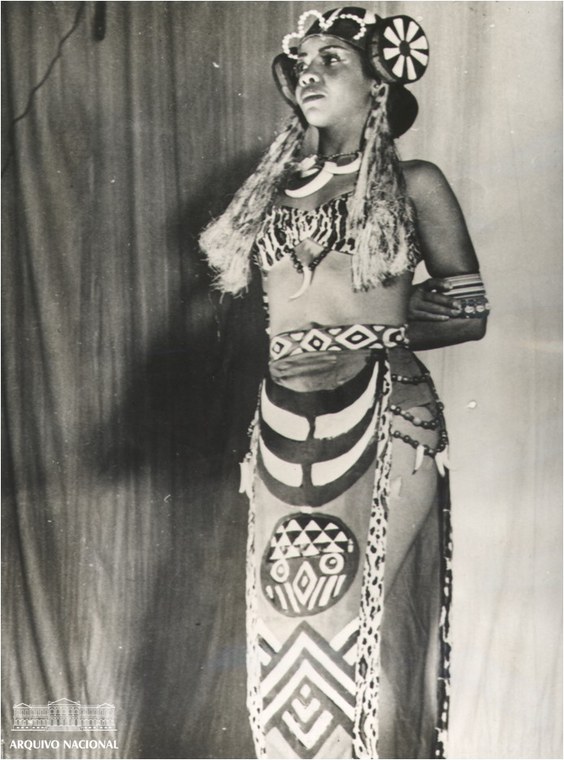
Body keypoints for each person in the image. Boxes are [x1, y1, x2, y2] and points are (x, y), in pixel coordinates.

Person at [200, 7, 489, 759]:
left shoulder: (414, 183)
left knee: (350, 623)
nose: (311, 72)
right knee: (288, 631)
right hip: (282, 421)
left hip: (386, 417)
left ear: (378, 82)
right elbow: (279, 319)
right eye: (303, 61)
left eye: (333, 59)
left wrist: (379, 326)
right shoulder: (269, 193)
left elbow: (468, 311)